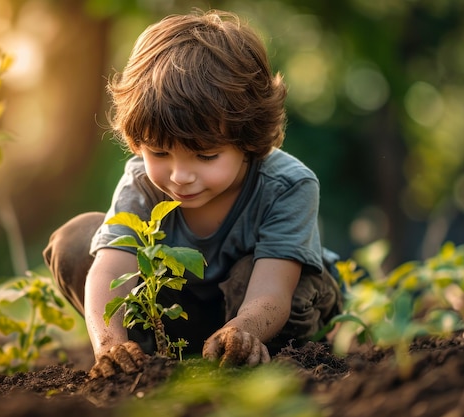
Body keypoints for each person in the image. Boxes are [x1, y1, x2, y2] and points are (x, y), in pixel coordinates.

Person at [43, 9, 342, 378]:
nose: (180, 176)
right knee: (76, 242)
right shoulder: (141, 184)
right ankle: (149, 362)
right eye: (159, 152)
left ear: (248, 140)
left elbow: (273, 292)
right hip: (188, 315)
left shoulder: (287, 185)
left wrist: (243, 331)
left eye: (205, 155)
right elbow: (110, 268)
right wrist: (110, 344)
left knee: (256, 278)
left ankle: (275, 362)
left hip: (272, 309)